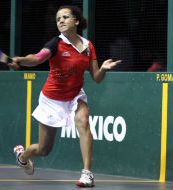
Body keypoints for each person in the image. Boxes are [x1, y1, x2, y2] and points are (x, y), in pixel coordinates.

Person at [9, 5, 121, 188]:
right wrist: (21, 60)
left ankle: (87, 174)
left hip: (75, 96)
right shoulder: (55, 43)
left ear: (76, 21)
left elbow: (96, 78)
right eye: (58, 19)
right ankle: (22, 156)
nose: (60, 20)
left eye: (65, 17)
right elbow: (38, 58)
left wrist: (103, 69)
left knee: (84, 121)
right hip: (51, 100)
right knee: (44, 149)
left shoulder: (88, 46)